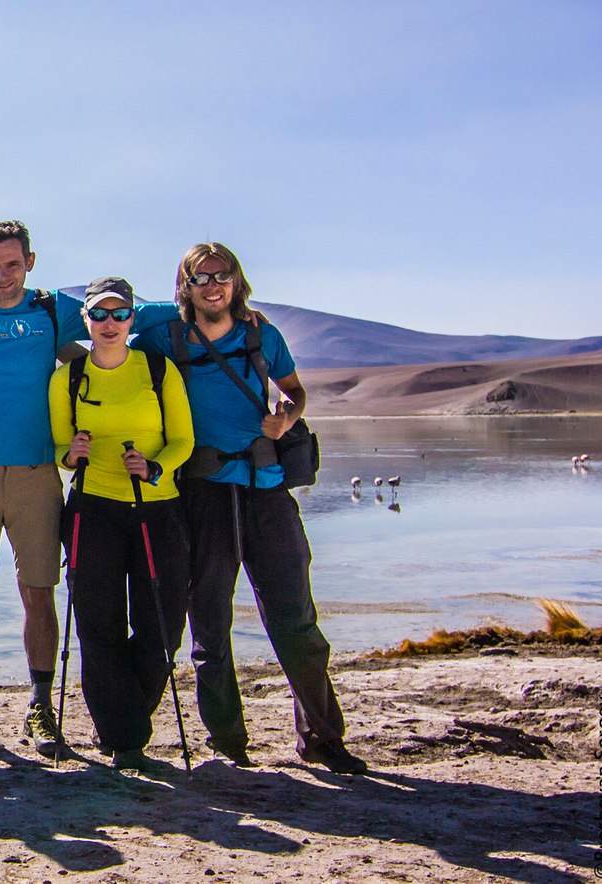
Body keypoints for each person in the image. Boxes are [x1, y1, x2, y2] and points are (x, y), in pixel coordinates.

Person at [0, 221, 182, 757]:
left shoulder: (54, 310)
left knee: (38, 594)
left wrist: (207, 310)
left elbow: (146, 314)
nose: (2, 275)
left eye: (12, 264)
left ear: (31, 262)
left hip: (39, 475)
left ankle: (40, 708)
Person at [131, 242, 367, 774]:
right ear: (184, 286)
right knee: (209, 621)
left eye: (223, 275)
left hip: (266, 487)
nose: (214, 286)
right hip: (200, 491)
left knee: (295, 618)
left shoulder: (262, 334)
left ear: (237, 281)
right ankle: (228, 740)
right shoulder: (164, 338)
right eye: (201, 278)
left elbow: (294, 391)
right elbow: (106, 341)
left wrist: (287, 415)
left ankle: (323, 738)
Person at [48, 277, 194, 771]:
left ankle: (126, 719)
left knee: (162, 625)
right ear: (86, 320)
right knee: (98, 624)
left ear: (133, 319)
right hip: (93, 510)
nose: (109, 324)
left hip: (157, 509)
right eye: (99, 314)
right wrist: (72, 454)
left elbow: (183, 441)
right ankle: (124, 738)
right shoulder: (66, 378)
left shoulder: (157, 369)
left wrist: (154, 468)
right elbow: (58, 448)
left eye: (119, 314)